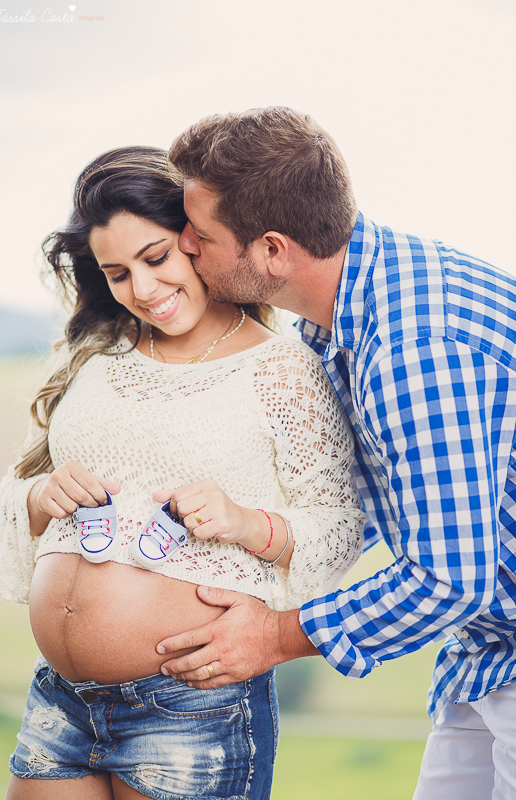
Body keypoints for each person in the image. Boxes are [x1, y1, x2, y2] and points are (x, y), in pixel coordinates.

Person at [153, 107, 516, 799]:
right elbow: (373, 504)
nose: (185, 247)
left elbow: (449, 578)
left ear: (272, 250)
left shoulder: (414, 349)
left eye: (201, 235)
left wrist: (275, 637)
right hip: (489, 652)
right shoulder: (345, 318)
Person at [0, 146, 366, 800]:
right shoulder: (94, 356)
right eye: (116, 272)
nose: (142, 290)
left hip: (192, 703)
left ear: (196, 240)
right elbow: (19, 488)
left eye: (156, 257)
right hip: (61, 699)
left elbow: (341, 527)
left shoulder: (283, 371)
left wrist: (246, 523)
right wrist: (39, 497)